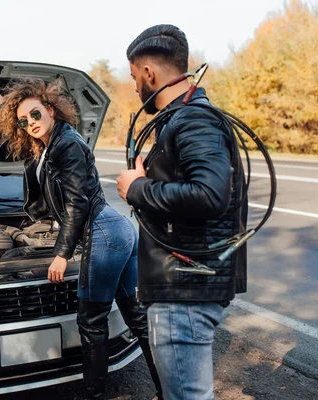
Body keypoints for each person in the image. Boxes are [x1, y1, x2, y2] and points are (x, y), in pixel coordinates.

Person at [0, 57, 163, 400]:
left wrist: (60, 254)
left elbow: (79, 204)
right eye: (23, 120)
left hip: (102, 232)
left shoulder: (67, 144)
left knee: (91, 322)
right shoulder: (47, 145)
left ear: (52, 110)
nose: (30, 122)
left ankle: (93, 394)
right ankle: (170, 390)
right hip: (117, 232)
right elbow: (7, 110)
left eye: (35, 114)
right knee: (138, 319)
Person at [116, 25, 248, 400]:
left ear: (148, 73)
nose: (134, 86)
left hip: (183, 291)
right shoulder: (185, 117)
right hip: (182, 285)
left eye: (132, 76)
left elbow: (209, 194)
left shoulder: (192, 118)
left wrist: (137, 188)